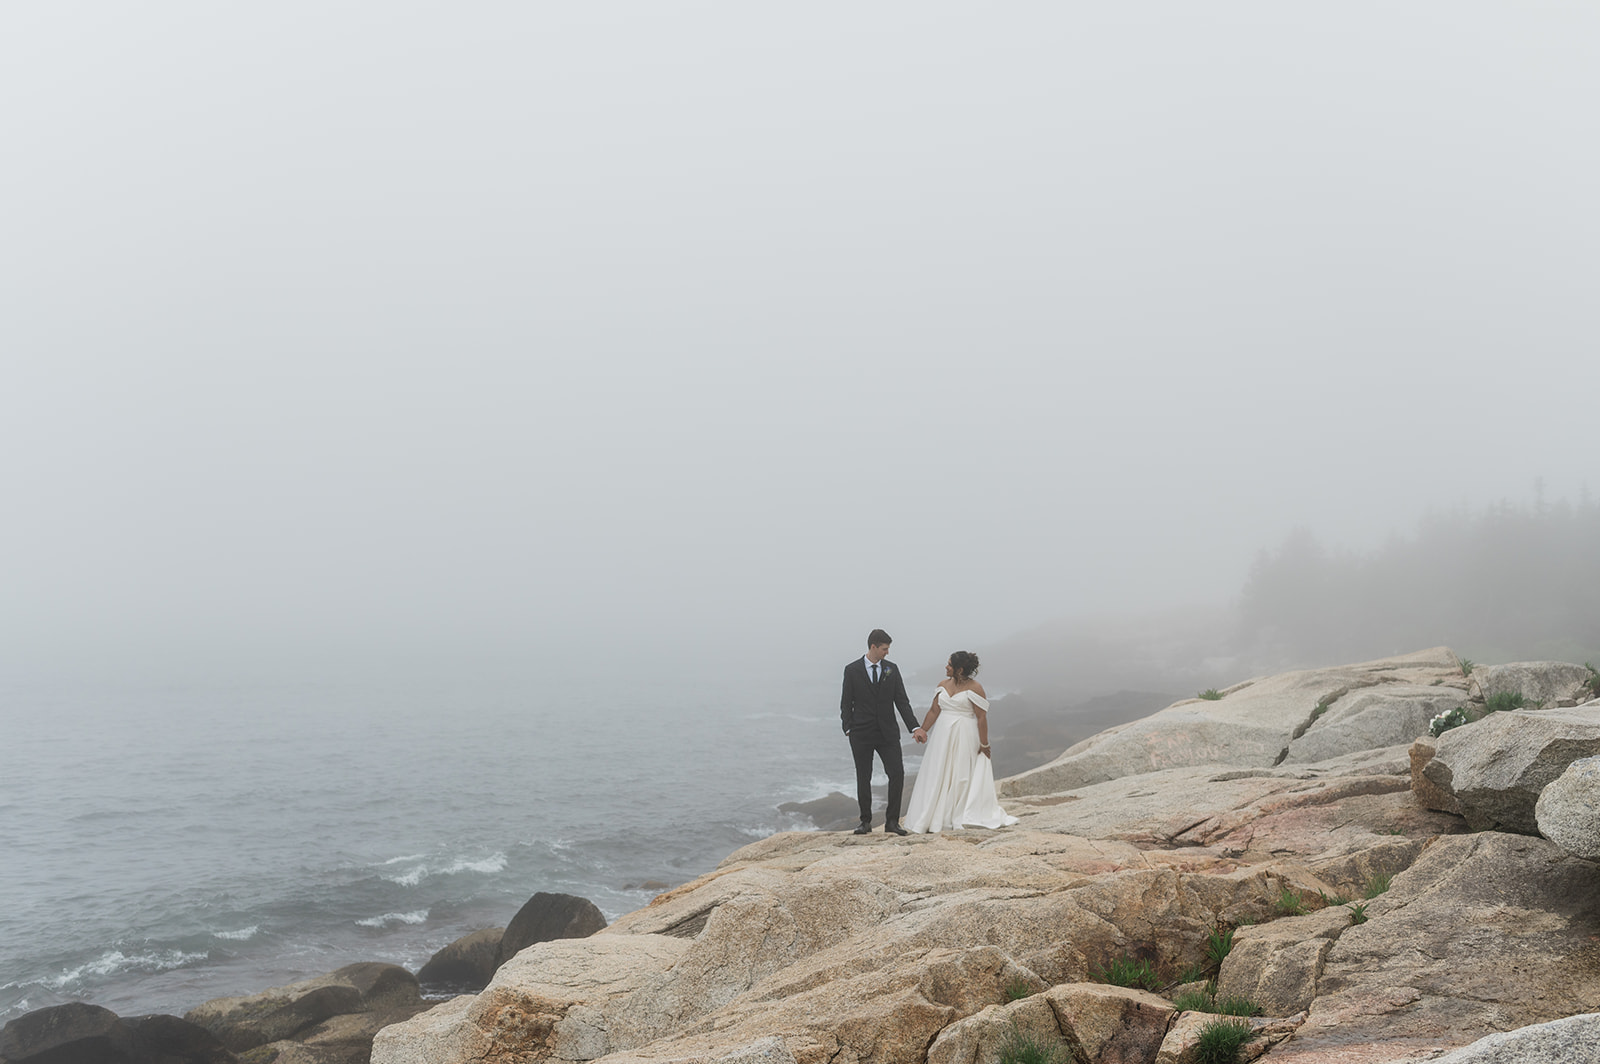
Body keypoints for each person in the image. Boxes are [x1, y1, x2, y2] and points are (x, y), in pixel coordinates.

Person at [902, 650, 1019, 833]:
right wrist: (923, 730)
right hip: (942, 734)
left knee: (960, 774)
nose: (946, 667)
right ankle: (933, 816)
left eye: (949, 664)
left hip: (965, 733)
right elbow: (934, 710)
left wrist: (984, 743)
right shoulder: (942, 684)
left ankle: (955, 815)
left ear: (959, 669)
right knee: (938, 771)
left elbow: (981, 718)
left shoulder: (976, 688)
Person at [840, 629, 924, 835]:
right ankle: (865, 822)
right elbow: (846, 702)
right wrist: (848, 727)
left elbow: (902, 701)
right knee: (863, 776)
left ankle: (892, 822)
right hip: (861, 734)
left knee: (897, 774)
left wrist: (914, 727)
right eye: (885, 649)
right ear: (873, 647)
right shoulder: (852, 670)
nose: (888, 653)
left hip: (888, 733)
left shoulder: (892, 670)